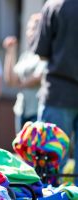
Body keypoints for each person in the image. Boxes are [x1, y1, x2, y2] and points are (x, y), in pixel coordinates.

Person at [32, 0, 78, 184]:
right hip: (60, 91)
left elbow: (42, 51)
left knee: (50, 164)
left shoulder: (54, 5)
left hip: (58, 91)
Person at [2, 13, 47, 133]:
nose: (30, 32)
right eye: (29, 28)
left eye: (34, 28)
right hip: (21, 110)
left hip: (37, 111)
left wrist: (19, 85)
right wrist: (10, 52)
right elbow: (10, 80)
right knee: (21, 150)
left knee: (36, 151)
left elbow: (38, 77)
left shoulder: (45, 54)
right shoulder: (26, 55)